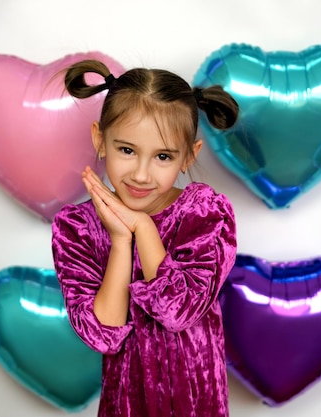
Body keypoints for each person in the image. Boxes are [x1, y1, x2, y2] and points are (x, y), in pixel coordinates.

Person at [51, 59, 239, 417]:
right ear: (99, 140)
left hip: (196, 404)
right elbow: (102, 334)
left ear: (188, 156)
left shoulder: (204, 214)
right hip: (126, 403)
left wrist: (145, 228)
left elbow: (180, 310)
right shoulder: (77, 228)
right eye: (127, 150)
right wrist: (121, 241)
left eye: (163, 156)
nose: (140, 174)